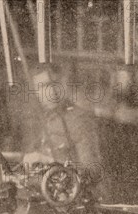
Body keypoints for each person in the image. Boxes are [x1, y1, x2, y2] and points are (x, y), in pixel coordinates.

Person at [23, 63, 110, 202]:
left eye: (54, 83)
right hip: (54, 200)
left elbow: (92, 171)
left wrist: (48, 161)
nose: (50, 91)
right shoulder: (42, 120)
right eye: (42, 87)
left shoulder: (80, 119)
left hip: (81, 204)